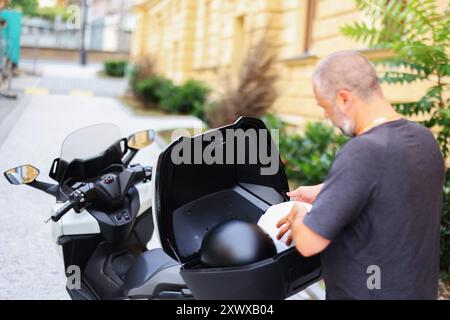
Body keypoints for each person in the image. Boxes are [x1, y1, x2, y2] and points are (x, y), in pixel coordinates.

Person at [276, 50, 445, 299]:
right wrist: (326, 190)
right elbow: (389, 183)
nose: (325, 115)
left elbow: (309, 242)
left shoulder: (362, 151)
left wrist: (299, 214)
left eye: (325, 106)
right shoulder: (424, 139)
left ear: (344, 99)